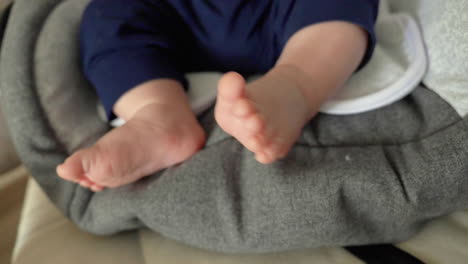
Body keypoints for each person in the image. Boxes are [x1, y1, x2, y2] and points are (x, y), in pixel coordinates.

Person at [57, 0, 379, 192]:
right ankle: (156, 113)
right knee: (107, 15)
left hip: (284, 12)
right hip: (177, 17)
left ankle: (294, 86)